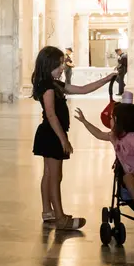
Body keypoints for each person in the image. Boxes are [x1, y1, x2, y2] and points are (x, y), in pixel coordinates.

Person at [32, 46, 117, 230]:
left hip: (48, 134)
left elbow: (83, 89)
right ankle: (61, 218)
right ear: (48, 65)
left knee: (48, 174)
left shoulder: (53, 84)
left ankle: (48, 212)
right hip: (52, 134)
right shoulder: (48, 87)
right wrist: (64, 139)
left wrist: (107, 78)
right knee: (55, 177)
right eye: (59, 64)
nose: (63, 67)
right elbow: (51, 115)